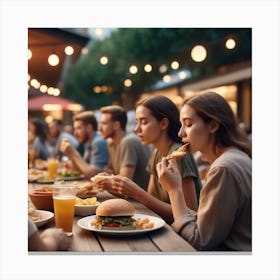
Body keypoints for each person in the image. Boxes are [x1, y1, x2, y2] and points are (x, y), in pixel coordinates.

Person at [156, 92, 252, 251]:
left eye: (188, 124)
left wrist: (174, 190)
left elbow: (199, 242)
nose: (181, 133)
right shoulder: (237, 157)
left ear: (213, 126)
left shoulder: (223, 168)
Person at [98, 96, 201, 224]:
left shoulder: (180, 155)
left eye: (144, 122)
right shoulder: (157, 152)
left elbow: (190, 215)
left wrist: (137, 193)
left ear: (163, 123)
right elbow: (151, 200)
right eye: (137, 122)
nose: (137, 129)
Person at [98, 105, 150, 190]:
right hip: (126, 198)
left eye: (103, 123)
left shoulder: (129, 142)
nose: (99, 128)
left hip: (138, 201)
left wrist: (107, 182)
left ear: (116, 125)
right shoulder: (111, 142)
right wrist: (105, 178)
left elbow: (122, 186)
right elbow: (111, 173)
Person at [59, 111, 109, 179]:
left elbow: (94, 175)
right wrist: (70, 154)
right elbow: (80, 171)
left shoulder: (98, 142)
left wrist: (73, 153)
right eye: (75, 129)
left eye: (79, 128)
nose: (75, 133)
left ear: (89, 127)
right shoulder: (88, 141)